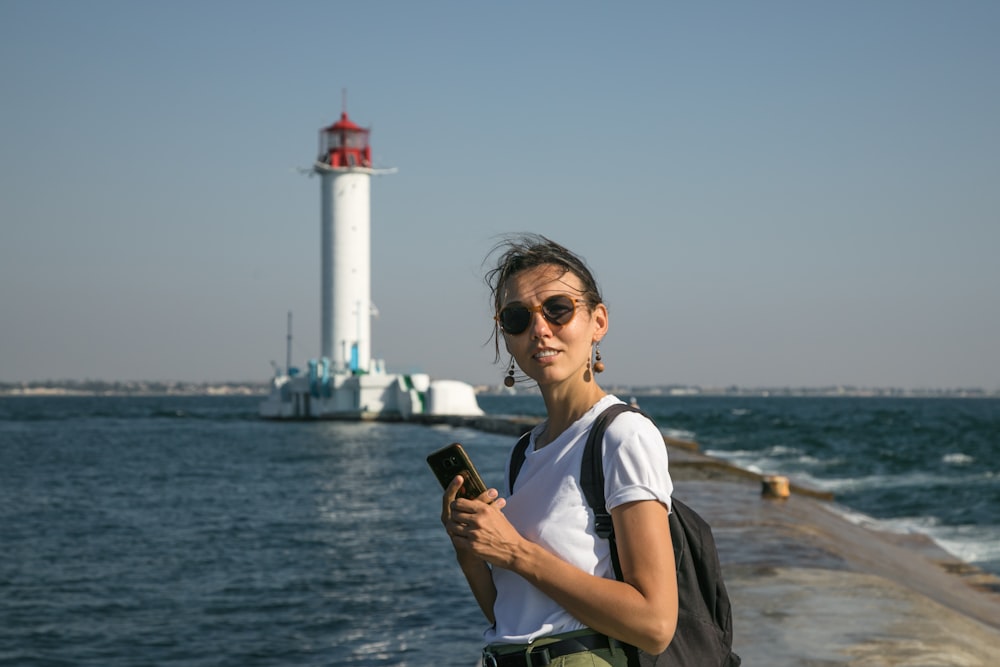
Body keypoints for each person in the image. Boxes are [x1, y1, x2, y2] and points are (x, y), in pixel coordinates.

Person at [440, 235, 677, 667]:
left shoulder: (622, 435)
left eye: (558, 309)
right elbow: (513, 616)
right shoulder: (525, 451)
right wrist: (471, 552)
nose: (540, 329)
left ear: (598, 321)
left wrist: (514, 550)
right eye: (517, 317)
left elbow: (655, 625)